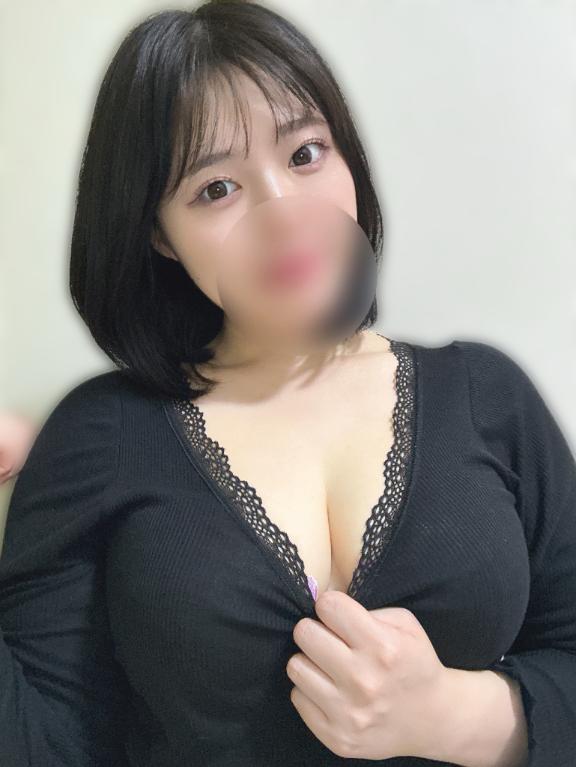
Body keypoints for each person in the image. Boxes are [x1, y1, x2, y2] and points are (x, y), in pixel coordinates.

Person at [1, 1, 575, 765]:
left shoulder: (488, 395)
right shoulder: (100, 435)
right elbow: (43, 739)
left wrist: (451, 715)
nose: (283, 213)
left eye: (305, 153)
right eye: (216, 189)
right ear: (159, 234)